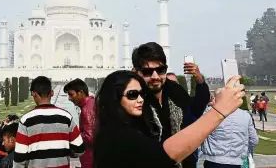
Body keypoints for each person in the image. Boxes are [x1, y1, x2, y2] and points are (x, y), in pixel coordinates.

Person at [94, 70, 245, 168]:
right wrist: (218, 112)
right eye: (133, 95)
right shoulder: (116, 134)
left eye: (141, 94)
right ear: (114, 98)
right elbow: (165, 155)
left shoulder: (123, 128)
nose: (140, 99)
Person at [131, 42, 209, 167]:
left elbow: (196, 109)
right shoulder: (133, 102)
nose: (155, 76)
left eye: (160, 70)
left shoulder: (174, 91)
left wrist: (199, 79)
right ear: (135, 71)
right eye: (147, 72)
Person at [14, 76, 85, 168]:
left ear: (34, 94)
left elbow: (19, 158)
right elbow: (80, 149)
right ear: (52, 93)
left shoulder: (26, 120)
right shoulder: (66, 117)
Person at [64, 78, 95, 168]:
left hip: (90, 159)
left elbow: (90, 137)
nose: (69, 98)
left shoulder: (87, 109)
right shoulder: (90, 104)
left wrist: (71, 134)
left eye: (71, 95)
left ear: (80, 93)